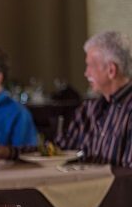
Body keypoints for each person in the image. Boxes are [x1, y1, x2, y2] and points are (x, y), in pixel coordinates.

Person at [56, 31, 132, 167]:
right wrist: (11, 152)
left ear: (111, 70)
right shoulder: (88, 109)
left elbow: (128, 173)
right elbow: (58, 150)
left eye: (90, 65)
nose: (86, 73)